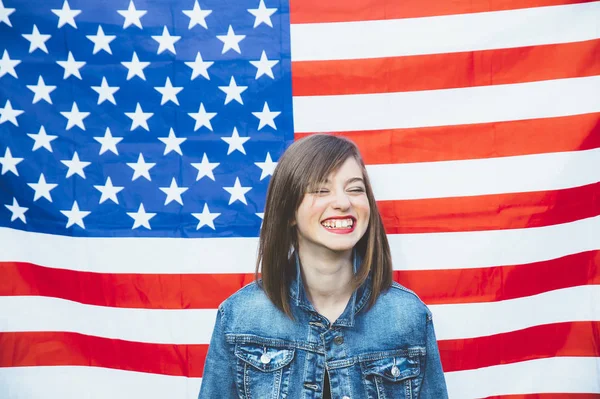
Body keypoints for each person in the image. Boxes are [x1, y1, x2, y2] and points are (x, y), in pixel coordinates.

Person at [198, 134, 449, 398]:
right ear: (289, 211)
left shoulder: (408, 316)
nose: (343, 203)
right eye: (321, 190)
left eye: (354, 188)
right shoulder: (240, 317)